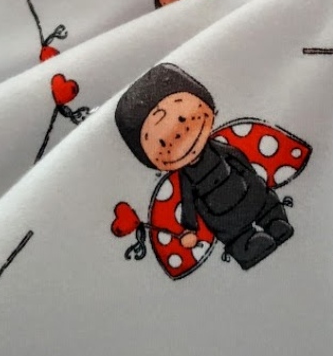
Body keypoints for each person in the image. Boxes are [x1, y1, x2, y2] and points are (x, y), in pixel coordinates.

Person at [115, 63, 293, 270]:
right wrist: (190, 229)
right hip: (220, 213)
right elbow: (188, 202)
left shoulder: (219, 150)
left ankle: (274, 221)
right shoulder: (187, 177)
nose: (180, 137)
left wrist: (252, 178)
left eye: (183, 119)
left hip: (248, 191)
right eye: (163, 142)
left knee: (265, 202)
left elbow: (239, 158)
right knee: (233, 233)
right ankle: (246, 247)